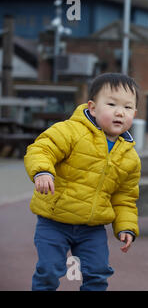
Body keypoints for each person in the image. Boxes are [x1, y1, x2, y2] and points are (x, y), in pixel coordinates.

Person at [24, 73, 141, 291]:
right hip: (55, 221)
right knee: (49, 270)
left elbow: (125, 197)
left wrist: (126, 226)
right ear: (93, 108)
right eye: (111, 104)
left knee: (97, 273)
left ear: (134, 113)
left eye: (127, 108)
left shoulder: (130, 157)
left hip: (92, 228)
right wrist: (42, 172)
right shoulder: (71, 131)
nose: (119, 112)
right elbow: (41, 148)